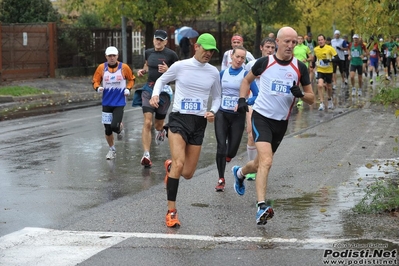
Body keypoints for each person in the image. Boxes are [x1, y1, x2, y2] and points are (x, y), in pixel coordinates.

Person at [232, 26, 315, 225]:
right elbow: (246, 80)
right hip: (261, 117)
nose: (290, 45)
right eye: (287, 41)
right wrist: (242, 99)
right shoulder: (264, 63)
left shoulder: (299, 68)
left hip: (281, 122)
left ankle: (240, 172)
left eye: (294, 42)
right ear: (277, 42)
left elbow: (312, 98)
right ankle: (261, 206)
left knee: (260, 163)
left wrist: (301, 94)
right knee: (267, 161)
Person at [149, 33, 221, 228]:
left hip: (198, 122)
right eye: (206, 49)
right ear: (196, 46)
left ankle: (171, 166)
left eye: (212, 51)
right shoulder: (180, 66)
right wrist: (155, 95)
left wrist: (213, 111)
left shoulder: (213, 72)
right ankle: (171, 211)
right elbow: (161, 81)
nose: (209, 53)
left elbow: (217, 98)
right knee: (180, 164)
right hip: (179, 119)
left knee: (187, 173)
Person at [214, 46, 258, 192]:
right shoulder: (222, 74)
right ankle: (221, 178)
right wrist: (212, 110)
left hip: (238, 116)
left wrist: (245, 102)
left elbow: (256, 95)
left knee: (231, 150)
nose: (239, 60)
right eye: (237, 56)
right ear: (231, 57)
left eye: (242, 58)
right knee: (221, 146)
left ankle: (227, 157)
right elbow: (215, 94)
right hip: (222, 114)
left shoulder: (246, 75)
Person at [136, 30, 179, 167]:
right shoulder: (148, 52)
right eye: (156, 39)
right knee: (147, 122)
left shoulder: (171, 55)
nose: (158, 42)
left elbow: (179, 73)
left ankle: (162, 130)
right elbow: (147, 64)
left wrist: (168, 70)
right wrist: (143, 70)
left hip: (164, 91)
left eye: (161, 40)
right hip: (149, 88)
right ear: (153, 40)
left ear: (166, 42)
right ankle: (146, 154)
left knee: (158, 125)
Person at [92, 46, 135, 160]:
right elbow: (95, 80)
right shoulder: (102, 68)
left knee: (114, 126)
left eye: (114, 56)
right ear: (106, 57)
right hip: (107, 102)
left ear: (117, 56)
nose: (112, 58)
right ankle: (112, 149)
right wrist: (97, 88)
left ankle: (120, 128)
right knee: (107, 129)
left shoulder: (124, 67)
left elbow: (131, 79)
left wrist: (128, 89)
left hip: (119, 101)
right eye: (109, 56)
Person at [243, 37, 276, 181]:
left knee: (268, 140)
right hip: (253, 103)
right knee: (250, 133)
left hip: (270, 105)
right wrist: (244, 99)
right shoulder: (252, 63)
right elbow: (245, 80)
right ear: (261, 48)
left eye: (272, 48)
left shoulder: (277, 65)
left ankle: (262, 163)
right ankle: (252, 168)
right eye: (267, 47)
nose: (269, 50)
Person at [313, 34, 339, 110]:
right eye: (319, 40)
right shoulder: (316, 49)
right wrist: (313, 66)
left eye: (321, 40)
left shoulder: (330, 48)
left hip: (328, 70)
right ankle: (321, 103)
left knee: (329, 87)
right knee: (320, 85)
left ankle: (329, 99)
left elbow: (337, 59)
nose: (320, 41)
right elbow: (315, 58)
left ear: (324, 40)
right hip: (320, 70)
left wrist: (329, 60)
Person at [293, 34, 312, 106]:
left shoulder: (306, 47)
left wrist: (306, 59)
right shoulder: (294, 48)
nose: (300, 40)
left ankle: (300, 99)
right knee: (296, 83)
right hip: (295, 67)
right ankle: (295, 97)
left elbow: (311, 57)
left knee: (301, 84)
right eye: (298, 39)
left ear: (303, 40)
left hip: (304, 67)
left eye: (301, 39)